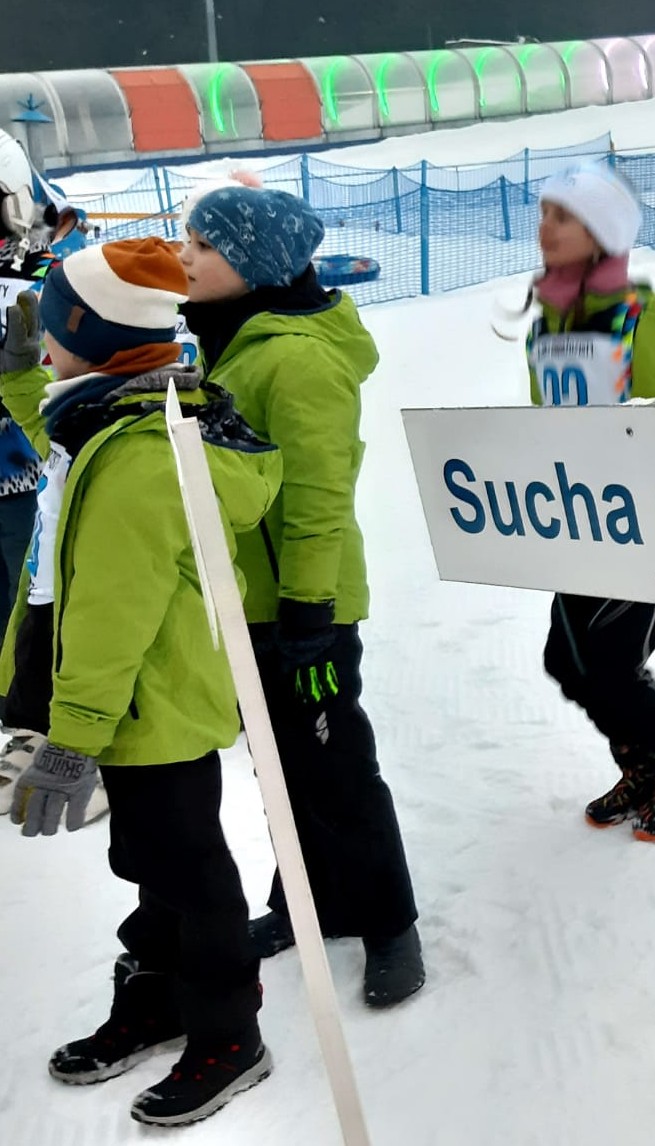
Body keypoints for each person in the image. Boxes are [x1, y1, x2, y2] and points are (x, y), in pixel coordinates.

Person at [0, 237, 282, 1125]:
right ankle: (159, 999)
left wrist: (72, 741)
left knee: (191, 873)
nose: (45, 345)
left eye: (55, 331)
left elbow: (111, 615)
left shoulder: (138, 457)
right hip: (132, 700)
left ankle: (230, 1033)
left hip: (147, 703)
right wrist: (19, 378)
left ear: (95, 336)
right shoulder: (112, 416)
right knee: (155, 862)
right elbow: (61, 441)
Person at [177, 182, 425, 1007]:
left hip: (302, 605)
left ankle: (390, 925)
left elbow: (320, 497)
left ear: (254, 264)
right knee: (282, 764)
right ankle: (307, 901)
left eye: (204, 245)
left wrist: (309, 614)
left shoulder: (297, 359)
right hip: (251, 599)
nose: (185, 256)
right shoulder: (230, 339)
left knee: (336, 765)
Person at [497, 162, 655, 843]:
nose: (545, 227)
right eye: (544, 213)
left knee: (608, 662)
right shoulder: (546, 320)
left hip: (638, 525)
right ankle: (642, 766)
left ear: (601, 232)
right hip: (577, 518)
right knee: (568, 660)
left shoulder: (633, 314)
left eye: (564, 216)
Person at [0, 127, 107, 821]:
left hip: (37, 469)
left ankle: (65, 735)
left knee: (41, 604)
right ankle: (18, 723)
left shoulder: (54, 265)